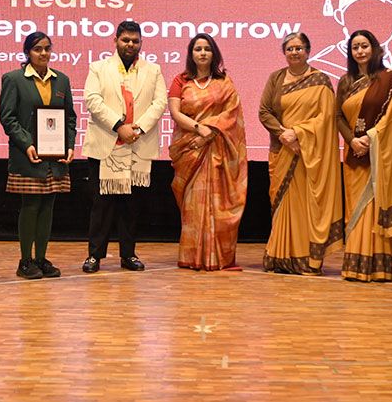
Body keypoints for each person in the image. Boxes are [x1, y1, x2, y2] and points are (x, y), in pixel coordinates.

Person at [81, 21, 167, 273]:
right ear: (116, 40)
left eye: (135, 41)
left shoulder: (153, 70)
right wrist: (119, 126)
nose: (130, 45)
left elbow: (160, 102)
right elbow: (92, 100)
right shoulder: (98, 68)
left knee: (132, 206)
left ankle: (128, 255)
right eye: (125, 40)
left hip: (138, 144)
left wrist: (137, 129)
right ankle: (94, 256)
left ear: (141, 43)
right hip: (107, 143)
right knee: (102, 205)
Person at [258, 32, 344, 274]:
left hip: (310, 154)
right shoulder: (275, 78)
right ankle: (280, 256)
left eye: (299, 48)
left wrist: (298, 133)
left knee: (306, 205)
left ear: (308, 51)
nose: (294, 52)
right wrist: (284, 134)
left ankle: (307, 258)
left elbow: (326, 117)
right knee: (284, 205)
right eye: (290, 49)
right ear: (284, 52)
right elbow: (264, 112)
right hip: (282, 150)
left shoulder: (320, 80)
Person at [168, 34, 248, 271]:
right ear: (191, 54)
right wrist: (198, 129)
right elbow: (175, 112)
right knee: (192, 205)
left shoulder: (224, 82)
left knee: (218, 202)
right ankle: (193, 256)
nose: (202, 53)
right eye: (197, 49)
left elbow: (233, 114)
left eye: (207, 49)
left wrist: (211, 129)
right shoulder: (181, 80)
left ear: (214, 54)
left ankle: (218, 256)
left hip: (217, 151)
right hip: (189, 149)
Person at [0, 32, 76, 280]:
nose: (43, 53)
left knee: (48, 206)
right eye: (37, 49)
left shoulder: (61, 80)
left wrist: (70, 145)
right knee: (30, 205)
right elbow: (8, 118)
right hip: (28, 155)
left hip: (55, 157)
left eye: (47, 48)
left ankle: (41, 258)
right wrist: (27, 143)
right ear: (27, 53)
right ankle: (25, 261)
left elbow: (70, 118)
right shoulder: (13, 79)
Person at [336, 30, 392, 282]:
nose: (360, 51)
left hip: (379, 155)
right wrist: (352, 140)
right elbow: (339, 117)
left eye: (365, 46)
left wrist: (370, 137)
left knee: (374, 207)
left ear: (375, 48)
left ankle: (378, 265)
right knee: (355, 210)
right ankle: (355, 263)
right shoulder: (345, 82)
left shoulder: (390, 78)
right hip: (354, 155)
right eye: (355, 47)